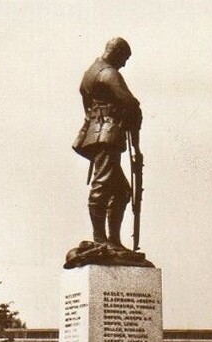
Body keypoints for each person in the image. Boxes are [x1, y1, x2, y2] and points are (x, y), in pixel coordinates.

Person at [72, 37, 142, 251]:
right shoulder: (109, 73)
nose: (124, 64)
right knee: (102, 183)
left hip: (95, 134)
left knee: (121, 191)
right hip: (108, 135)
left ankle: (112, 240)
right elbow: (131, 104)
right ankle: (100, 238)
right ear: (117, 52)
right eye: (125, 58)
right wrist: (136, 147)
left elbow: (88, 108)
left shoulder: (88, 75)